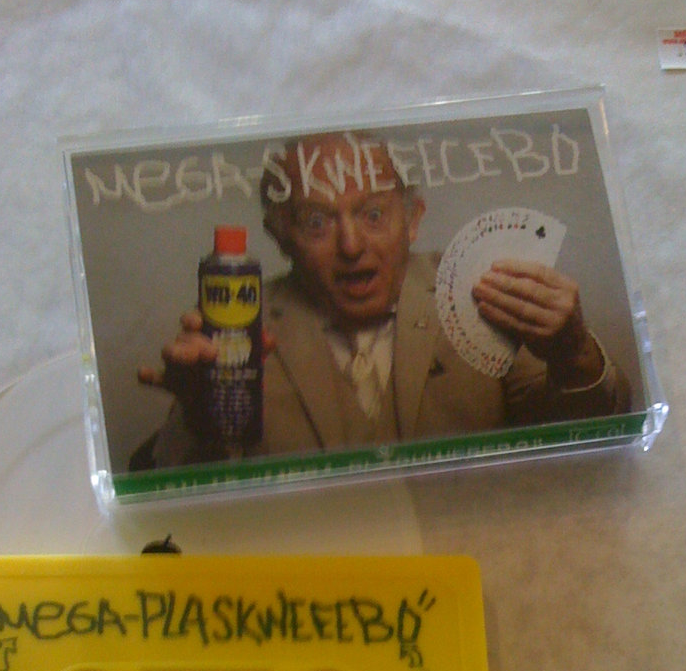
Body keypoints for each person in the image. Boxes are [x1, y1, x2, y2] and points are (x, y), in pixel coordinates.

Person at [134, 133, 630, 469]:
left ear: (412, 219)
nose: (351, 246)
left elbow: (588, 448)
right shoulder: (236, 327)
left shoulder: (475, 291)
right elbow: (171, 488)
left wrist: (575, 356)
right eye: (316, 222)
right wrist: (196, 419)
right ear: (281, 236)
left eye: (373, 214)